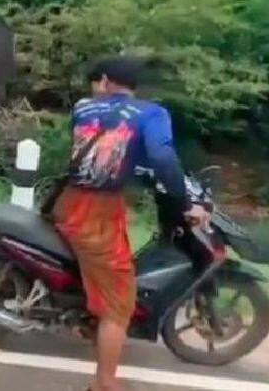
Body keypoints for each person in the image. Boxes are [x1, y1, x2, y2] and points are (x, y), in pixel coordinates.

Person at [50, 58, 210, 391]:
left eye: (96, 82)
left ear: (105, 80)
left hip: (70, 202)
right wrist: (185, 204)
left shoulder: (83, 108)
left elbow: (107, 156)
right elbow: (162, 157)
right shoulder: (152, 114)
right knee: (120, 303)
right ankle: (106, 383)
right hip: (97, 214)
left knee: (109, 272)